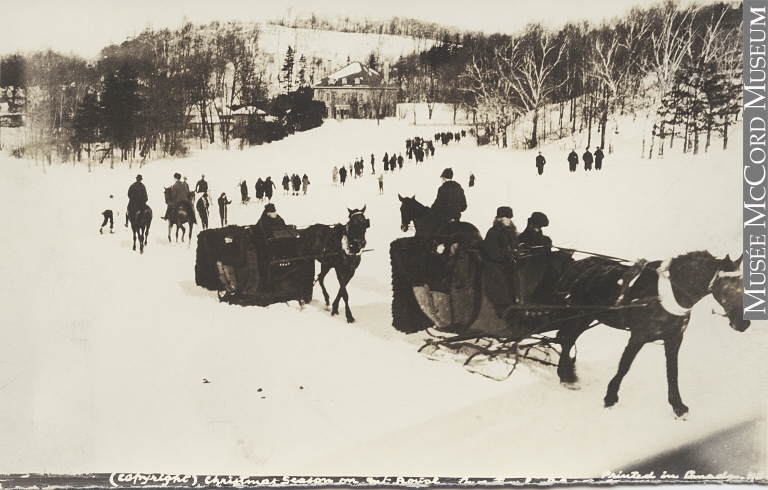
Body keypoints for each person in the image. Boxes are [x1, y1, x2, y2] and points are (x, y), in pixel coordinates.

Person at [482, 206, 519, 317]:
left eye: (509, 217)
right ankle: (502, 311)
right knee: (502, 288)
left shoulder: (511, 233)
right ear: (499, 218)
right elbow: (493, 252)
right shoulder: (493, 232)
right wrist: (509, 254)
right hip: (495, 267)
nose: (508, 219)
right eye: (505, 217)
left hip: (507, 265)